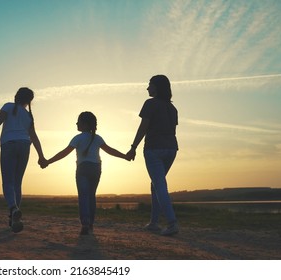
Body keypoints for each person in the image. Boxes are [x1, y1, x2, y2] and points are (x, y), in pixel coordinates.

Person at [42, 112, 129, 235]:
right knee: (91, 195)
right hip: (96, 168)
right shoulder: (98, 138)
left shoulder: (78, 138)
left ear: (85, 124)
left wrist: (48, 161)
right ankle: (90, 223)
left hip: (83, 169)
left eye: (79, 121)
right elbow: (110, 150)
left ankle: (85, 223)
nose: (76, 124)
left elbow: (64, 153)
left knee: (83, 196)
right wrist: (125, 156)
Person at [0, 87, 46, 233]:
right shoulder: (28, 116)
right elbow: (34, 137)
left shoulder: (8, 106)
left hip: (9, 145)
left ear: (16, 96)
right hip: (24, 146)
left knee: (8, 181)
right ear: (29, 102)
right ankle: (15, 217)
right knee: (17, 182)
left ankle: (14, 208)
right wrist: (41, 156)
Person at [126, 75, 179, 236]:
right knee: (155, 184)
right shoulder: (173, 109)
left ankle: (172, 223)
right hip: (171, 149)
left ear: (157, 87)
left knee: (160, 185)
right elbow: (172, 130)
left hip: (154, 149)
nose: (147, 88)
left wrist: (133, 147)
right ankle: (154, 223)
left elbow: (143, 127)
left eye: (150, 85)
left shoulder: (150, 104)